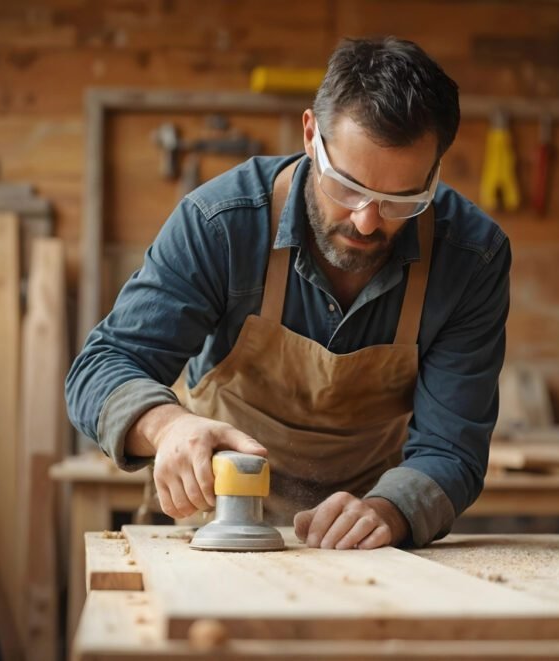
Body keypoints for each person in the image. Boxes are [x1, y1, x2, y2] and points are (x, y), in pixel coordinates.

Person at [66, 36, 510, 551]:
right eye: (347, 187)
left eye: (400, 200)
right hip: (216, 530)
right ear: (310, 136)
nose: (366, 221)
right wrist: (167, 427)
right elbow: (102, 365)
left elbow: (452, 448)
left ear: (434, 171)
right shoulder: (221, 224)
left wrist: (389, 511)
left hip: (371, 542)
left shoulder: (471, 257)